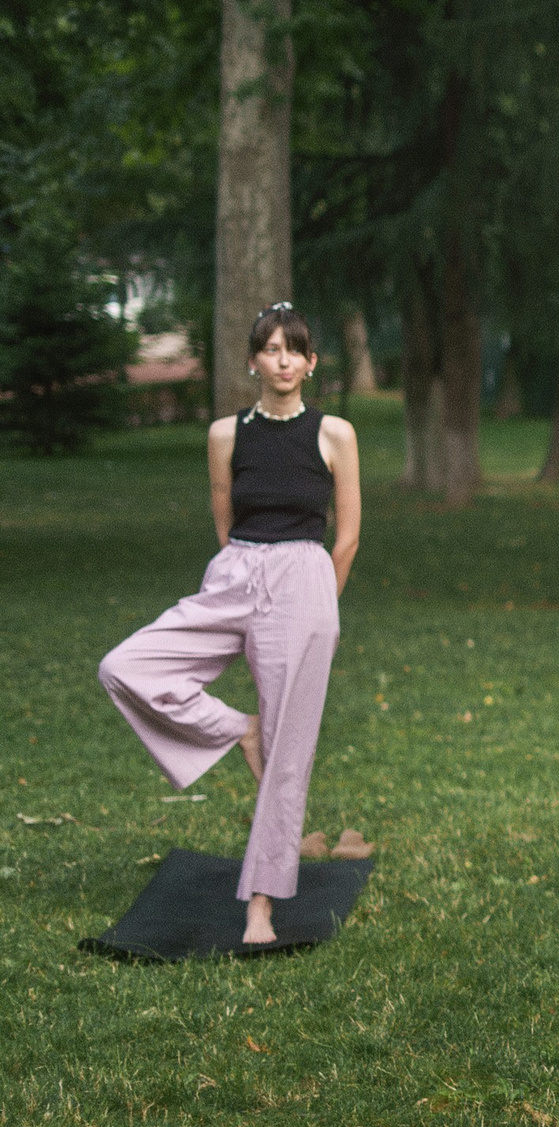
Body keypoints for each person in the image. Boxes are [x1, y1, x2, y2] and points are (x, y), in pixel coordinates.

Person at [100, 304, 362, 945]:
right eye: (269, 349)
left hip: (305, 581)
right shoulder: (225, 434)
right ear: (252, 360)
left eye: (292, 350)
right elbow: (224, 518)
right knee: (125, 666)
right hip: (236, 571)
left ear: (310, 363)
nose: (280, 360)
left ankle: (261, 908)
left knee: (287, 754)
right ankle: (236, 729)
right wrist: (242, 577)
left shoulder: (336, 434)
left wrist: (318, 606)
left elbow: (348, 536)